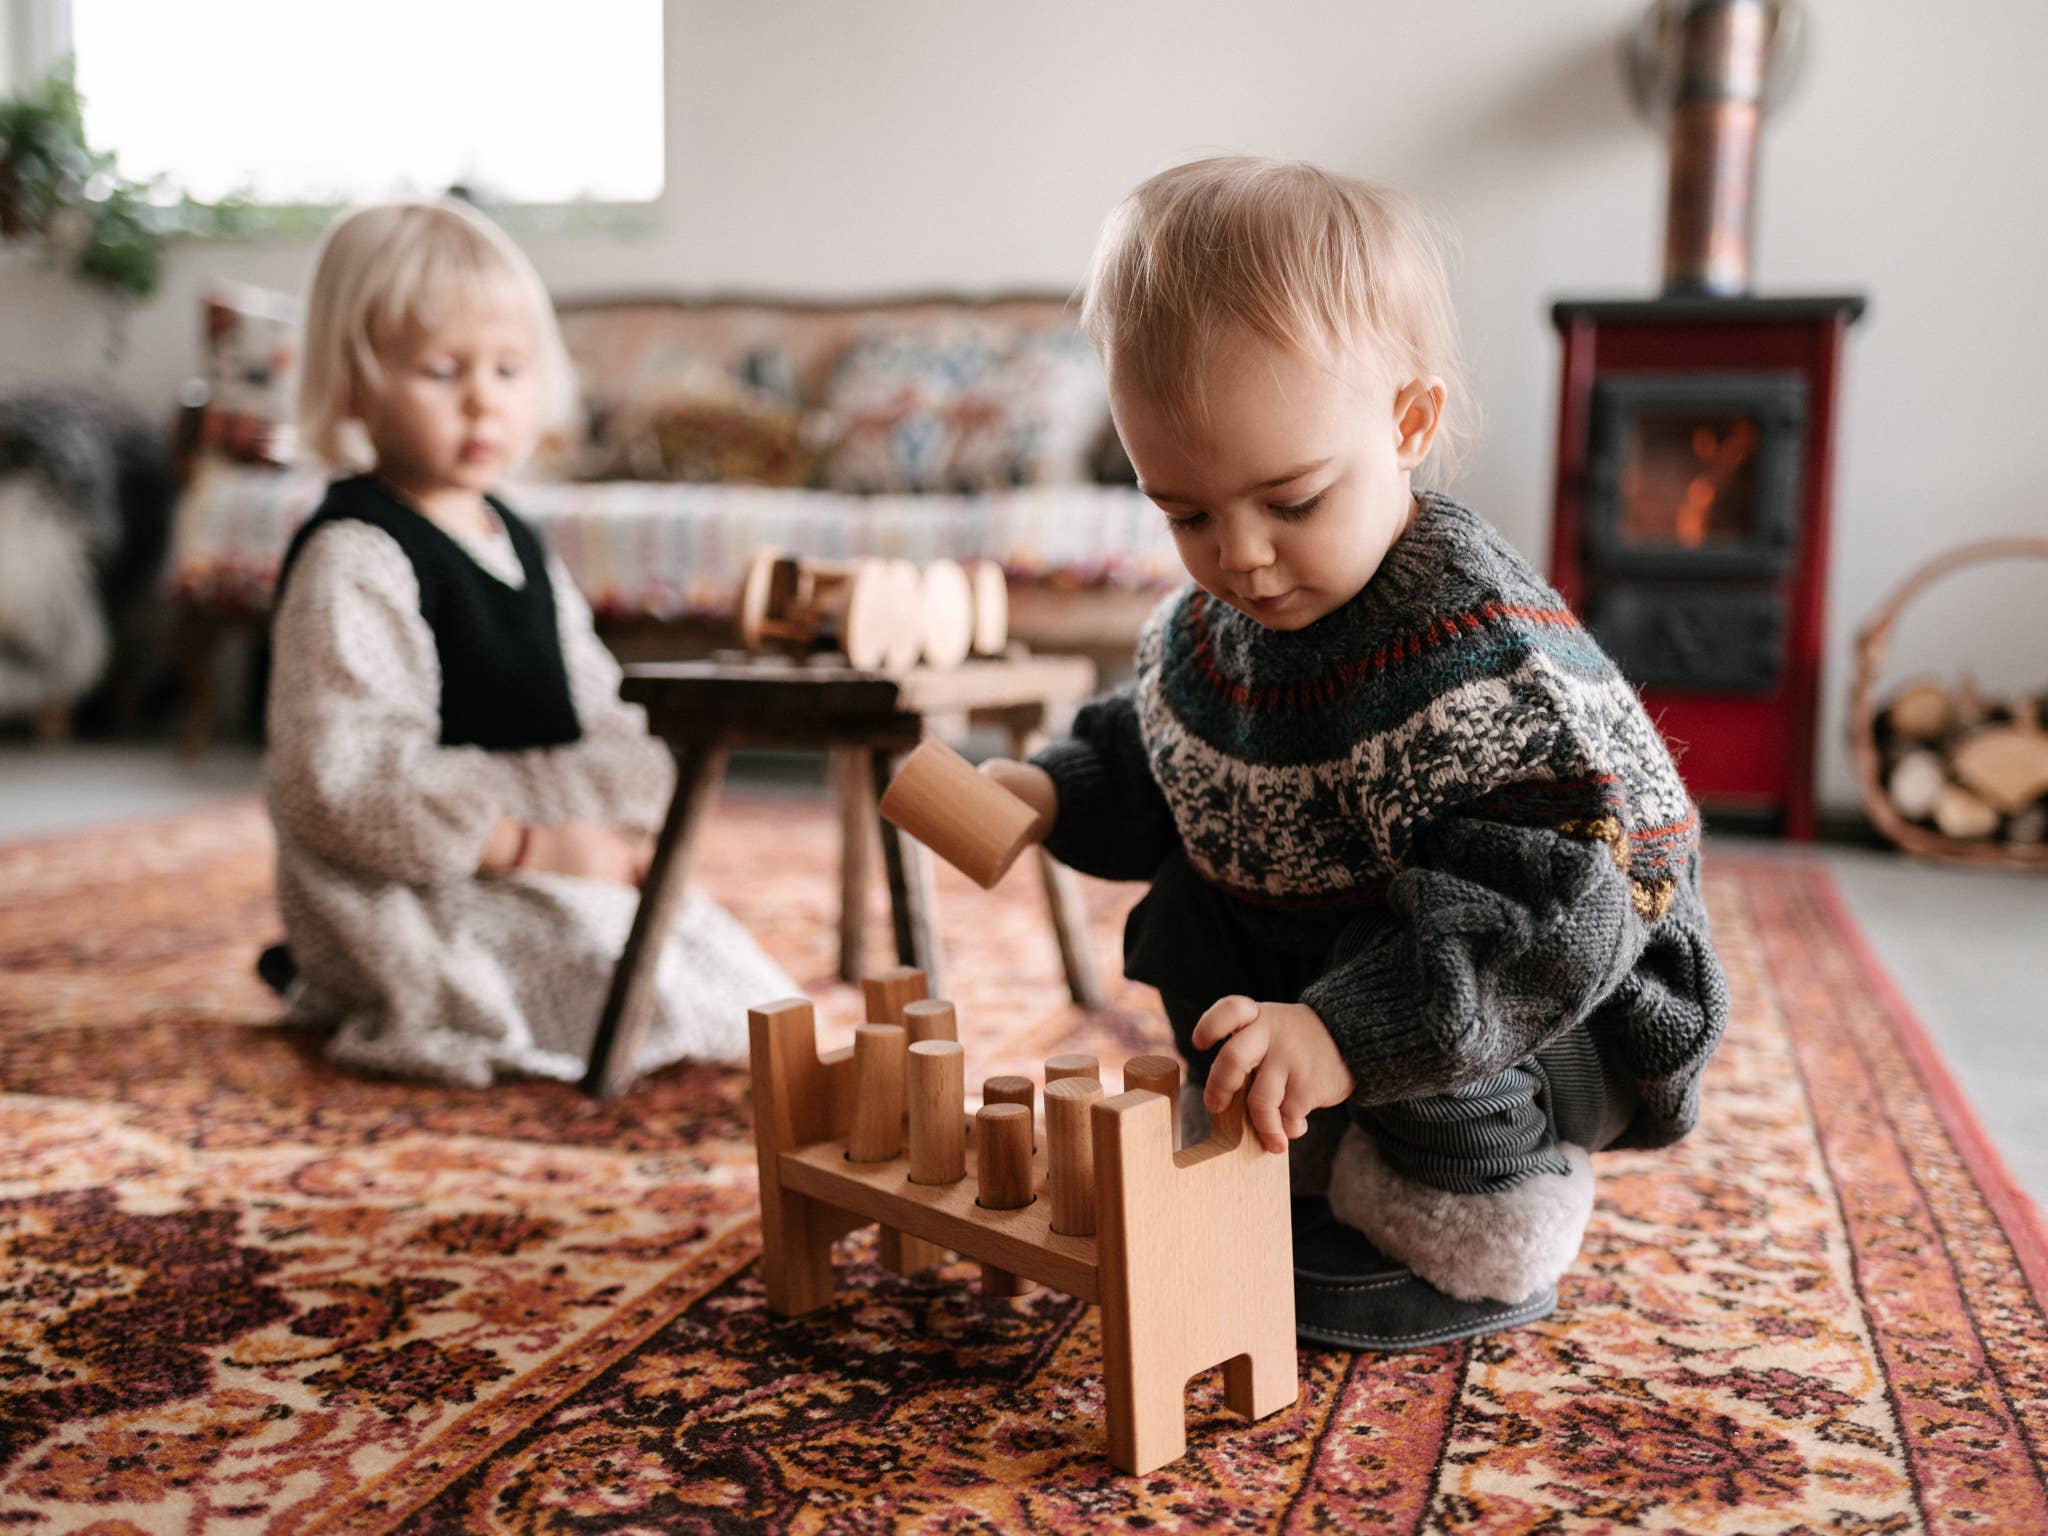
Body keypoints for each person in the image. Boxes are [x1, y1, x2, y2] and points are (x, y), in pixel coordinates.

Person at [980, 157, 1729, 1348]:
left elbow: (1548, 914)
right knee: (1189, 904)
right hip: (1363, 950)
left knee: (1437, 951)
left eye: (1289, 500)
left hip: (1563, 1002)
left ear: (1406, 422)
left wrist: (1340, 1034)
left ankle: (1474, 1229)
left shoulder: (1478, 656)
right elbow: (1176, 762)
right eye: (1184, 513)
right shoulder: (1224, 621)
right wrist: (1045, 789)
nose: (1240, 555)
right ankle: (1307, 1150)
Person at [263, 199, 793, 1087]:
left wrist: (620, 830)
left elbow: (603, 710)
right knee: (581, 988)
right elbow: (342, 785)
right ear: (353, 385)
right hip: (407, 885)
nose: (482, 400)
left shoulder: (518, 540)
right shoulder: (355, 556)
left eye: (508, 370)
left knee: (708, 964)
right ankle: (347, 980)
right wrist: (523, 845)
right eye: (441, 371)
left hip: (536, 850)